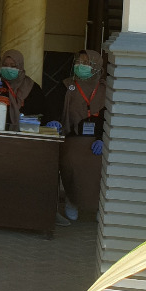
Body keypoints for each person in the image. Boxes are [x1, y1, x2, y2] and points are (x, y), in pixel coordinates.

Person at [54, 49, 107, 225]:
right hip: (72, 137)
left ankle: (99, 206)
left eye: (86, 63)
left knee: (101, 166)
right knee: (71, 162)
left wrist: (102, 138)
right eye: (78, 61)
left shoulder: (106, 90)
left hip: (97, 140)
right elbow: (54, 109)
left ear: (96, 66)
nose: (80, 65)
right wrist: (54, 121)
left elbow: (110, 117)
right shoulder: (67, 85)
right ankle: (72, 201)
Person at [0, 49, 50, 129]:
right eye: (5, 65)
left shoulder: (32, 87)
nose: (8, 68)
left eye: (13, 66)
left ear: (20, 66)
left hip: (23, 133)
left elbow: (42, 113)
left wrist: (51, 121)